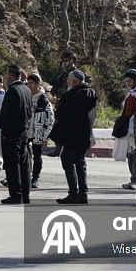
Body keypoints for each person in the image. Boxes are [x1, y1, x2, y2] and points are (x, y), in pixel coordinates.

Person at [49, 70, 98, 204]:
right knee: (80, 163)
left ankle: (73, 193)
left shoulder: (72, 95)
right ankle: (83, 193)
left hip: (71, 135)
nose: (67, 82)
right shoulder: (92, 93)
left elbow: (61, 114)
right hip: (85, 135)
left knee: (68, 161)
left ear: (74, 82)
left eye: (69, 80)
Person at [0, 64, 34, 204]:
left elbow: (8, 115)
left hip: (12, 132)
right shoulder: (26, 90)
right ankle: (25, 194)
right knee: (24, 163)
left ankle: (16, 194)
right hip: (23, 131)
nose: (6, 78)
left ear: (12, 76)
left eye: (7, 75)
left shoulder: (13, 90)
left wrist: (5, 133)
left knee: (13, 164)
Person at [119, 69, 136, 190]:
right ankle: (133, 178)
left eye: (130, 81)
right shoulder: (131, 92)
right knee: (131, 155)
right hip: (129, 128)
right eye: (126, 81)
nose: (128, 83)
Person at [28, 73, 54, 189]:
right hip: (26, 132)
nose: (29, 85)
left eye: (31, 83)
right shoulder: (27, 97)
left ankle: (35, 178)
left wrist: (46, 136)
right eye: (28, 83)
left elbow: (49, 120)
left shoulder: (44, 101)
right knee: (24, 156)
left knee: (37, 156)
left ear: (38, 84)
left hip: (38, 133)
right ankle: (25, 176)